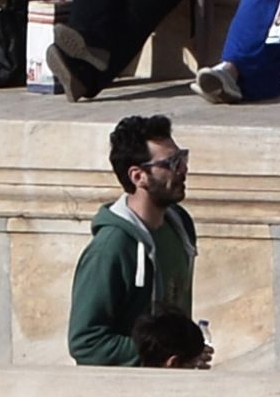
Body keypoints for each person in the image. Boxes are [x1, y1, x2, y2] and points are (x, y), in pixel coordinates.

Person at [69, 113, 208, 367]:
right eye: (172, 163)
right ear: (138, 176)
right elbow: (86, 341)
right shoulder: (110, 249)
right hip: (128, 393)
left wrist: (189, 348)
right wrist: (160, 352)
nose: (183, 170)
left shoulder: (180, 225)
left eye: (182, 158)